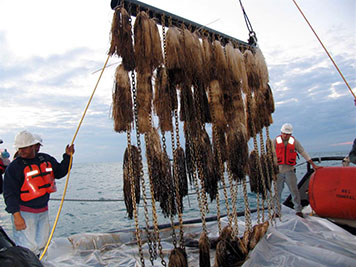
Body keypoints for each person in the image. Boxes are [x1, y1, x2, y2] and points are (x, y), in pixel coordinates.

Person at [3, 130, 75, 256]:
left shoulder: (45, 159)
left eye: (25, 148)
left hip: (42, 210)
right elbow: (10, 194)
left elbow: (60, 171)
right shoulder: (14, 167)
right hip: (25, 213)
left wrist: (68, 156)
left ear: (33, 147)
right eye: (20, 148)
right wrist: (17, 216)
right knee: (27, 247)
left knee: (42, 243)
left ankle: (40, 262)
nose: (22, 151)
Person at [274, 123, 319, 218]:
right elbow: (268, 155)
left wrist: (313, 164)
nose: (286, 136)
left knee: (294, 191)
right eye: (284, 133)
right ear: (281, 132)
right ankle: (277, 212)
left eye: (288, 134)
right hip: (278, 172)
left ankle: (298, 210)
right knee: (277, 192)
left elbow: (303, 152)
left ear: (291, 134)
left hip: (290, 171)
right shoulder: (274, 141)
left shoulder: (294, 142)